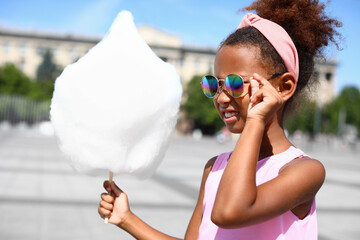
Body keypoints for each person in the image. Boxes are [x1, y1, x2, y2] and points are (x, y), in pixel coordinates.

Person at [98, 0, 342, 239]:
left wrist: (256, 120)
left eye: (235, 84)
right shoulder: (215, 167)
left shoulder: (304, 171)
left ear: (284, 87)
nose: (221, 98)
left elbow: (229, 212)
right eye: (214, 84)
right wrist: (127, 219)